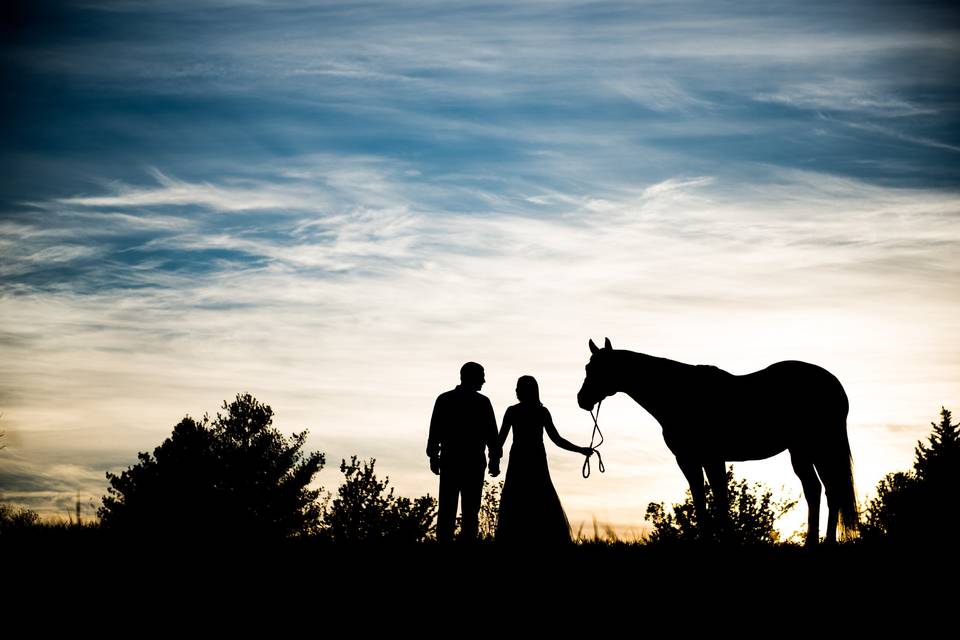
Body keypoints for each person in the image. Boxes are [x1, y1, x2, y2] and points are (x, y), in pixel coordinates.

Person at [496, 375, 593, 544]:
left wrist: (494, 460)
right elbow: (557, 439)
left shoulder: (514, 411)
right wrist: (580, 450)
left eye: (519, 388)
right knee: (540, 497)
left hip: (522, 459)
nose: (517, 391)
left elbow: (499, 441)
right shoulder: (540, 412)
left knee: (517, 498)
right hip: (534, 458)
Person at [427, 362, 502, 543]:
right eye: (481, 376)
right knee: (469, 510)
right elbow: (492, 434)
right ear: (472, 377)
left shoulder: (445, 399)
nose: (484, 380)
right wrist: (494, 459)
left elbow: (434, 432)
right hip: (470, 462)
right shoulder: (482, 402)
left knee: (449, 508)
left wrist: (433, 456)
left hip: (452, 460)